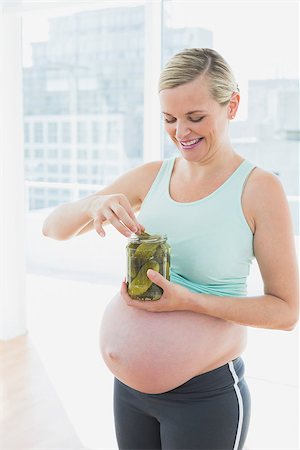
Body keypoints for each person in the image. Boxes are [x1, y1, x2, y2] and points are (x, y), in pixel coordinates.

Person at [42, 48, 299, 450]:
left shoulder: (259, 189)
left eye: (195, 117)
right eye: (169, 119)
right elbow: (53, 228)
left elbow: (286, 312)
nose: (181, 132)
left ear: (232, 105)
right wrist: (93, 204)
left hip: (205, 399)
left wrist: (188, 301)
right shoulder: (153, 176)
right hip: (128, 393)